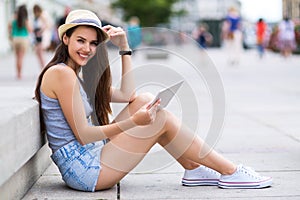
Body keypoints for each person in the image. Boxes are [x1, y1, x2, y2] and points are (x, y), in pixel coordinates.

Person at [34, 9, 272, 192]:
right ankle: (230, 171)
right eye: (80, 40)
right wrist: (134, 122)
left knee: (145, 100)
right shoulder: (62, 74)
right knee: (160, 119)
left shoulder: (73, 74)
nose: (87, 48)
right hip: (84, 171)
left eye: (93, 43)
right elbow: (84, 135)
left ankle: (193, 169)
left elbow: (129, 96)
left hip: (91, 156)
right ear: (65, 39)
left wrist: (125, 48)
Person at [8, 5, 32, 80]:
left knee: (17, 57)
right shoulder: (25, 19)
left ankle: (17, 73)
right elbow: (30, 30)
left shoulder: (14, 18)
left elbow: (9, 27)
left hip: (15, 38)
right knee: (21, 57)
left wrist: (11, 35)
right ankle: (20, 74)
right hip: (23, 39)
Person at [33, 4, 53, 68]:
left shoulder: (42, 15)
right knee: (38, 52)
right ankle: (43, 67)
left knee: (40, 53)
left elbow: (47, 24)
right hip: (38, 36)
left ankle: (44, 68)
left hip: (41, 36)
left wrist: (40, 31)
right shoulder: (39, 16)